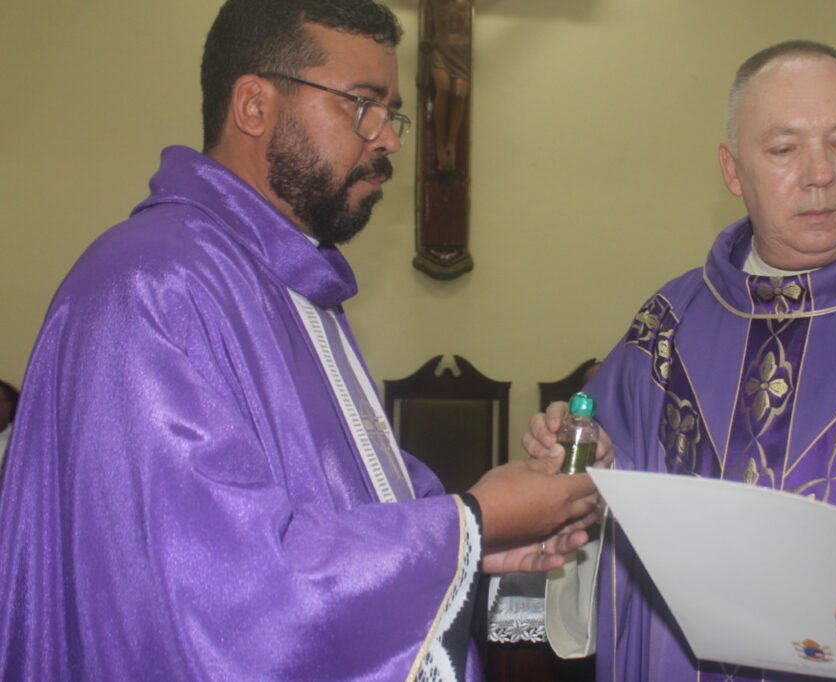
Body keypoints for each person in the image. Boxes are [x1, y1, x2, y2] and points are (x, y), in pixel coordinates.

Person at [0, 1, 599, 679]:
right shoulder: (151, 286)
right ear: (254, 106)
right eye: (362, 105)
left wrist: (480, 541)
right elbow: (225, 595)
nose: (392, 139)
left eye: (394, 113)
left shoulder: (289, 281)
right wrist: (470, 522)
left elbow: (340, 500)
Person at [526, 40, 836, 682]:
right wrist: (580, 471)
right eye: (785, 149)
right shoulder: (666, 330)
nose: (819, 173)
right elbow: (594, 514)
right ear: (733, 172)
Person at [422, 0, 471, 172]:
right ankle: (440, 145)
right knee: (443, 88)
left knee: (459, 93)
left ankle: (451, 143)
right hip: (440, 47)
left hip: (461, 49)